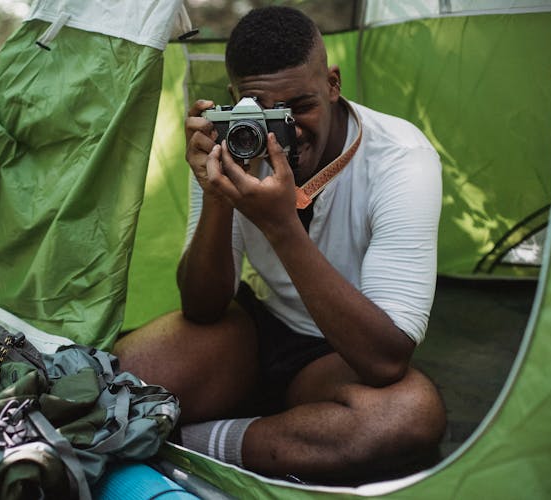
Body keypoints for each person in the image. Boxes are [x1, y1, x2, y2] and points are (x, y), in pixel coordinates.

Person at [114, 5, 446, 485]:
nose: (286, 130)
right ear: (235, 101)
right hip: (253, 330)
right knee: (121, 374)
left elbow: (385, 359)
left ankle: (192, 442)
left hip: (339, 356)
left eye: (302, 106)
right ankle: (257, 438)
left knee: (410, 416)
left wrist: (281, 227)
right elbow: (204, 308)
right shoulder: (231, 143)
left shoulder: (401, 160)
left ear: (333, 84)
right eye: (267, 113)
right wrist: (216, 196)